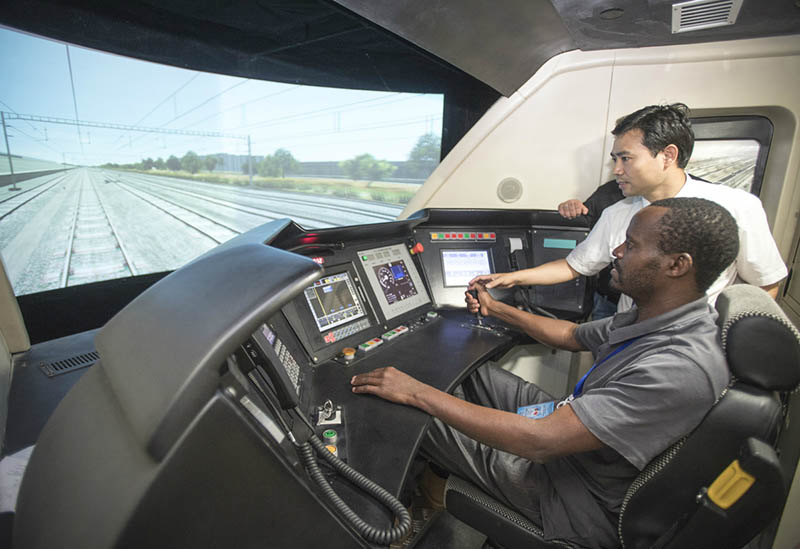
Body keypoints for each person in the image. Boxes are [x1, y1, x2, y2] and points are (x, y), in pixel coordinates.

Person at [352, 197, 738, 548]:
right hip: (572, 435)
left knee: (408, 410)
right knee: (466, 375)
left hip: (571, 494)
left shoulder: (678, 366)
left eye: (632, 245)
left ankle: (368, 525)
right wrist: (496, 308)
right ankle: (421, 484)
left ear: (677, 265)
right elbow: (571, 334)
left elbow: (539, 442)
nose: (617, 251)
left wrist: (417, 394)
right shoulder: (658, 317)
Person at [476, 103, 786, 313]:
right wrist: (513, 278)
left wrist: (721, 342)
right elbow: (573, 266)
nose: (617, 170)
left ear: (667, 155)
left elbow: (766, 285)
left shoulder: (737, 207)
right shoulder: (618, 213)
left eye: (626, 159)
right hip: (629, 341)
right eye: (615, 160)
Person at [558, 181, 624, 319]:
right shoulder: (611, 191)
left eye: (626, 159)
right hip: (607, 298)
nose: (617, 170)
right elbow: (583, 223)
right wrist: (571, 209)